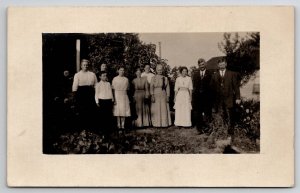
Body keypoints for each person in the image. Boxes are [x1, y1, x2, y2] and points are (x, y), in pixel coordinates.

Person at [210, 59, 241, 137]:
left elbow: (236, 87)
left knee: (230, 115)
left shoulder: (231, 74)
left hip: (229, 98)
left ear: (226, 64)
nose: (221, 66)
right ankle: (221, 131)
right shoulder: (214, 75)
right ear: (218, 66)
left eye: (223, 64)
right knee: (220, 115)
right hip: (218, 100)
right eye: (220, 65)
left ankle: (230, 133)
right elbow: (212, 88)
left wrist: (238, 97)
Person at [72, 59, 98, 131]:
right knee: (81, 110)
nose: (86, 66)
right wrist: (75, 96)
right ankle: (82, 129)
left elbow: (96, 85)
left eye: (87, 65)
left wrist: (96, 94)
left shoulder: (92, 74)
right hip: (81, 94)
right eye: (84, 65)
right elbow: (74, 86)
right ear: (81, 66)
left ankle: (90, 128)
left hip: (90, 93)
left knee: (90, 110)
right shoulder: (77, 75)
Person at [192, 58, 213, 133]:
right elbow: (194, 86)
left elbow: (212, 86)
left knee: (207, 113)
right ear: (198, 65)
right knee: (198, 114)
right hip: (198, 98)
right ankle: (199, 129)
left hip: (207, 97)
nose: (202, 66)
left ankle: (207, 128)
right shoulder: (195, 74)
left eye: (203, 64)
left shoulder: (210, 73)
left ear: (205, 64)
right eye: (200, 65)